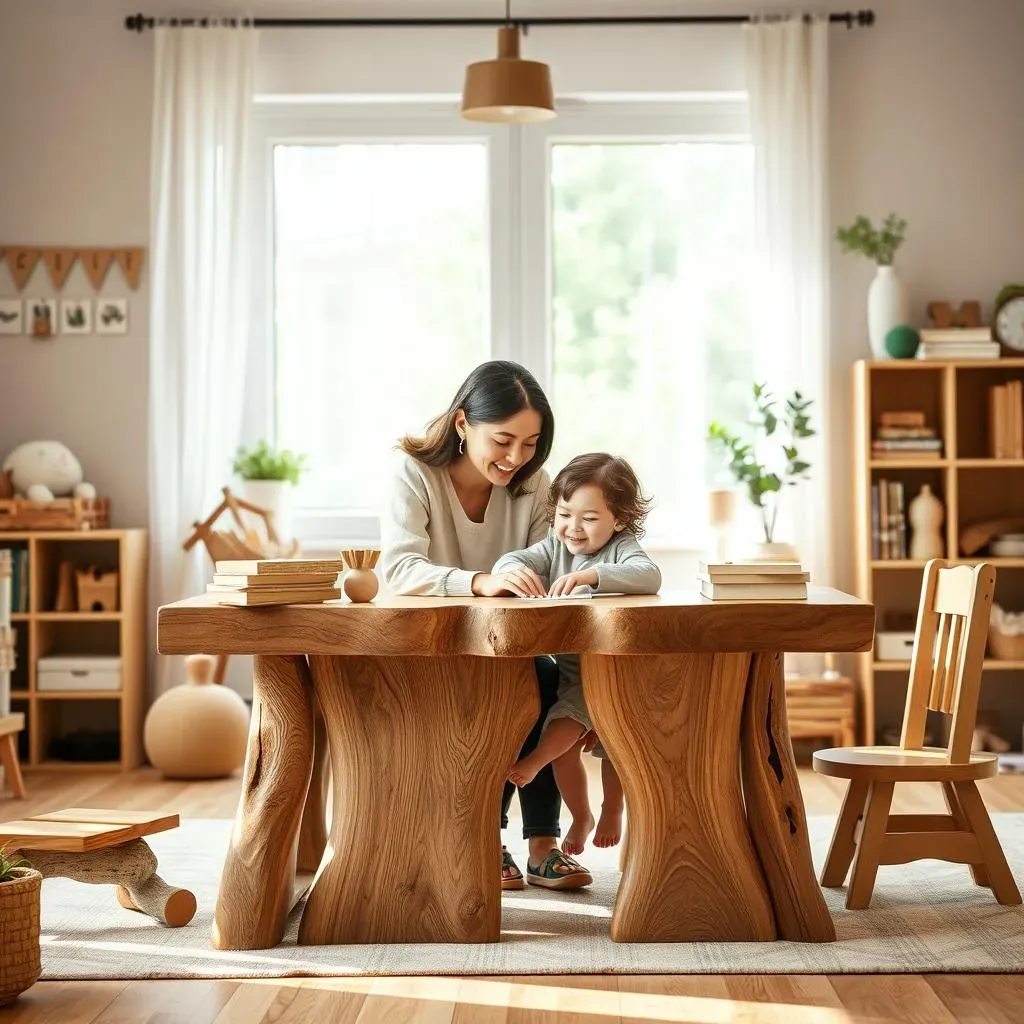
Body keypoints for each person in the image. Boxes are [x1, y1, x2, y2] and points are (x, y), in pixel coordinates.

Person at [380, 359, 593, 891]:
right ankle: (487, 836)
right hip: (434, 649)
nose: (516, 457)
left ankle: (544, 847)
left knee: (545, 685)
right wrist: (479, 582)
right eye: (503, 440)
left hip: (513, 646)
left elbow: (556, 560)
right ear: (461, 425)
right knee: (513, 689)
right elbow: (399, 569)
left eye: (530, 443)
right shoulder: (413, 472)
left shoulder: (534, 484)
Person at [494, 453, 661, 857]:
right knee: (564, 746)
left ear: (619, 519)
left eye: (589, 518)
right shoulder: (554, 547)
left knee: (613, 750)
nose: (573, 528)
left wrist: (590, 575)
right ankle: (581, 814)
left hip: (616, 675)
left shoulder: (622, 548)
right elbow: (512, 561)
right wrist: (510, 572)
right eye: (565, 514)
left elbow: (649, 575)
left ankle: (611, 808)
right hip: (575, 676)